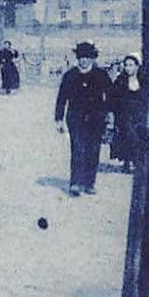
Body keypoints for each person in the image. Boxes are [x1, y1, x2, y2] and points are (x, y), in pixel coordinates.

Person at [54, 41, 113, 197]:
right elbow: (61, 97)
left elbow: (111, 96)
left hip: (96, 118)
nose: (84, 60)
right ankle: (75, 183)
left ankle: (89, 183)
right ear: (77, 58)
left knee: (93, 150)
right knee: (78, 148)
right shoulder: (70, 75)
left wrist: (109, 114)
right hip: (75, 118)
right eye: (81, 57)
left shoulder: (101, 75)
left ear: (93, 58)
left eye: (87, 57)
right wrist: (58, 119)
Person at [108, 55, 146, 173]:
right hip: (124, 113)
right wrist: (111, 113)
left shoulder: (143, 80)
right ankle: (128, 161)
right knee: (128, 136)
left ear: (137, 66)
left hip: (139, 113)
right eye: (126, 65)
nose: (128, 68)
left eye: (131, 65)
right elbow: (112, 97)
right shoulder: (120, 80)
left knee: (140, 137)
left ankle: (135, 162)